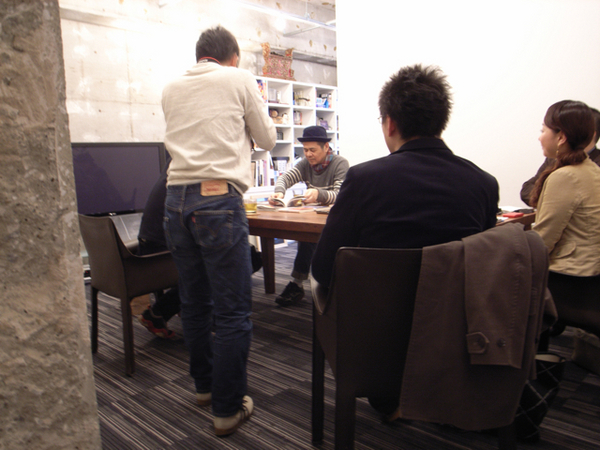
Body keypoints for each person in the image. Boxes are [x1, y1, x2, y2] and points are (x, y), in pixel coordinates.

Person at [310, 64, 499, 418]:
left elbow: (323, 268)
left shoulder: (364, 179)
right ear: (441, 121)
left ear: (390, 123)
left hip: (375, 339)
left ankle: (388, 396)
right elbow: (483, 268)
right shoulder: (484, 184)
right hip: (453, 333)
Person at [161, 26, 276, 436]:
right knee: (232, 310)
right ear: (232, 57)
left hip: (174, 201)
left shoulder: (171, 88)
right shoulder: (238, 78)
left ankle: (205, 388)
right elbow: (268, 139)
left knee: (194, 303)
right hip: (217, 200)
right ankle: (227, 409)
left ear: (200, 55)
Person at [136, 158, 264, 340]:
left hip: (152, 242)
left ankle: (179, 312)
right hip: (159, 253)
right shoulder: (200, 172)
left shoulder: (178, 168)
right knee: (243, 259)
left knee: (234, 256)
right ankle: (162, 313)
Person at [268, 125, 349, 307]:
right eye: (305, 150)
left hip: (336, 219)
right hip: (315, 215)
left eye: (312, 150)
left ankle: (315, 284)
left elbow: (340, 194)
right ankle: (298, 284)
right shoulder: (305, 164)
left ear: (326, 147)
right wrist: (279, 192)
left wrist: (319, 194)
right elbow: (285, 177)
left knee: (314, 242)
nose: (308, 154)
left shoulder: (340, 163)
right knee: (305, 237)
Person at [530, 100, 600, 277]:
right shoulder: (590, 168)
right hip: (590, 271)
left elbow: (544, 239)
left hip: (570, 275)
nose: (539, 138)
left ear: (561, 137)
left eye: (543, 131)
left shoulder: (565, 176)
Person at [520, 107, 600, 206]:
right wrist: (553, 198)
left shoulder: (594, 166)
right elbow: (526, 189)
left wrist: (551, 197)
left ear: (590, 134)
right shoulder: (554, 158)